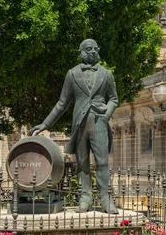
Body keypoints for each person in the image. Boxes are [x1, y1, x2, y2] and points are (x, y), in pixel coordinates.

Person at [29, 39, 119, 214]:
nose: (93, 51)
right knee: (82, 163)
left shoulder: (107, 74)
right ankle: (85, 199)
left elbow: (114, 98)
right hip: (80, 124)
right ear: (81, 52)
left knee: (102, 162)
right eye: (88, 49)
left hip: (99, 122)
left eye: (95, 48)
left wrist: (107, 113)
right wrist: (45, 124)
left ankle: (106, 200)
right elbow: (62, 103)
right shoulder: (72, 74)